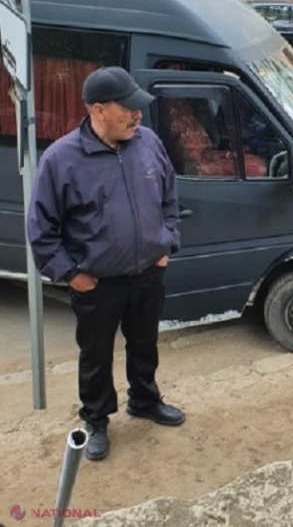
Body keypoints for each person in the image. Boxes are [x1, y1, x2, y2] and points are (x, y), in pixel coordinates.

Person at [27, 67, 185, 462]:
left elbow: (169, 196)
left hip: (149, 273)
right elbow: (40, 228)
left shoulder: (147, 142)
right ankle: (96, 420)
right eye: (128, 109)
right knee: (95, 355)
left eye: (138, 108)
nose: (138, 116)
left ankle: (145, 400)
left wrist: (168, 241)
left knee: (145, 343)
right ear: (98, 110)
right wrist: (69, 274)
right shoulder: (61, 159)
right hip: (97, 283)